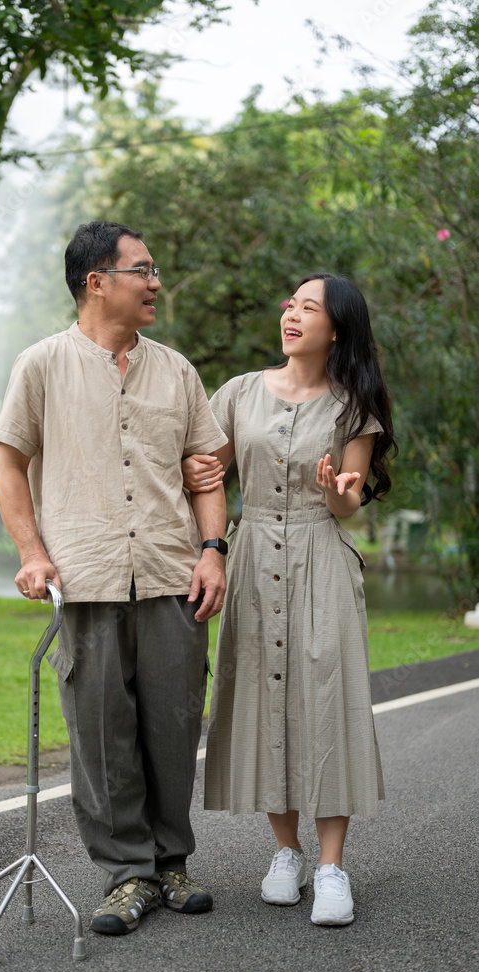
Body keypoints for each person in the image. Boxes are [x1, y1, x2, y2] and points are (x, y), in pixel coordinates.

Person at [0, 220, 228, 936]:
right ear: (97, 282)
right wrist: (31, 552)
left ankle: (170, 862)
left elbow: (206, 468)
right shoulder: (40, 365)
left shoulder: (177, 370)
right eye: (142, 270)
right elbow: (8, 463)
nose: (155, 283)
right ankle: (127, 875)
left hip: (168, 573)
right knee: (100, 736)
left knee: (171, 728)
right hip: (85, 577)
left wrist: (213, 549)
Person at [182, 272, 396, 926]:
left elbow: (349, 504)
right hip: (250, 559)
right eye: (290, 304)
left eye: (309, 308)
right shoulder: (239, 393)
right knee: (262, 698)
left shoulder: (352, 403)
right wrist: (194, 476)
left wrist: (334, 488)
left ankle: (331, 865)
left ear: (337, 328)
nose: (292, 315)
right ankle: (284, 852)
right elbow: (204, 468)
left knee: (326, 701)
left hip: (318, 557)